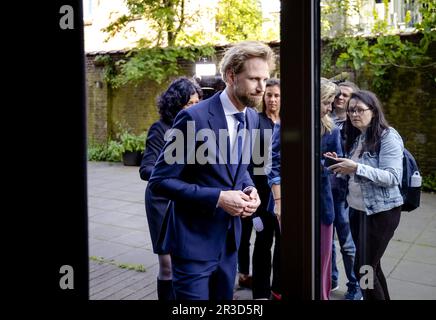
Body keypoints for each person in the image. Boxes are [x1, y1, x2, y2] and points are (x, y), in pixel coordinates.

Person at [148, 41, 275, 300]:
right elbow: (159, 181)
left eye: (265, 79)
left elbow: (240, 170)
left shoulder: (251, 117)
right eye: (253, 79)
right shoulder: (192, 118)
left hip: (229, 244)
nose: (262, 88)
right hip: (193, 246)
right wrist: (218, 198)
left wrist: (249, 189)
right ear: (231, 76)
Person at [325, 90, 404, 300]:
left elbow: (392, 177)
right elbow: (354, 175)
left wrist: (356, 167)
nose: (354, 114)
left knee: (364, 268)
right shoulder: (360, 137)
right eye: (351, 110)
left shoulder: (388, 137)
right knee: (371, 267)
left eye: (360, 110)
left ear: (374, 111)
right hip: (357, 211)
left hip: (380, 213)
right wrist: (341, 164)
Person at [139, 77, 202, 300]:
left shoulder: (199, 128)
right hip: (162, 203)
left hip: (186, 200)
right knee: (168, 266)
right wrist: (171, 175)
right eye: (189, 104)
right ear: (176, 104)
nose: (195, 108)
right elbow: (146, 169)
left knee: (187, 262)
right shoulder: (160, 128)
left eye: (197, 103)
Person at [330, 81, 362, 300]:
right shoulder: (324, 118)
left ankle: (355, 286)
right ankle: (330, 278)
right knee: (325, 241)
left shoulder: (355, 125)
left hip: (344, 192)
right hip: (324, 188)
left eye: (346, 95)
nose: (341, 97)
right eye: (338, 94)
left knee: (348, 244)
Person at [251, 78, 282, 300]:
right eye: (269, 95)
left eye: (277, 95)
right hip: (261, 193)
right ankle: (260, 293)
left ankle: (278, 289)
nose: (272, 99)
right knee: (263, 242)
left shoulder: (289, 123)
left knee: (283, 243)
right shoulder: (256, 121)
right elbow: (249, 163)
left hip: (281, 192)